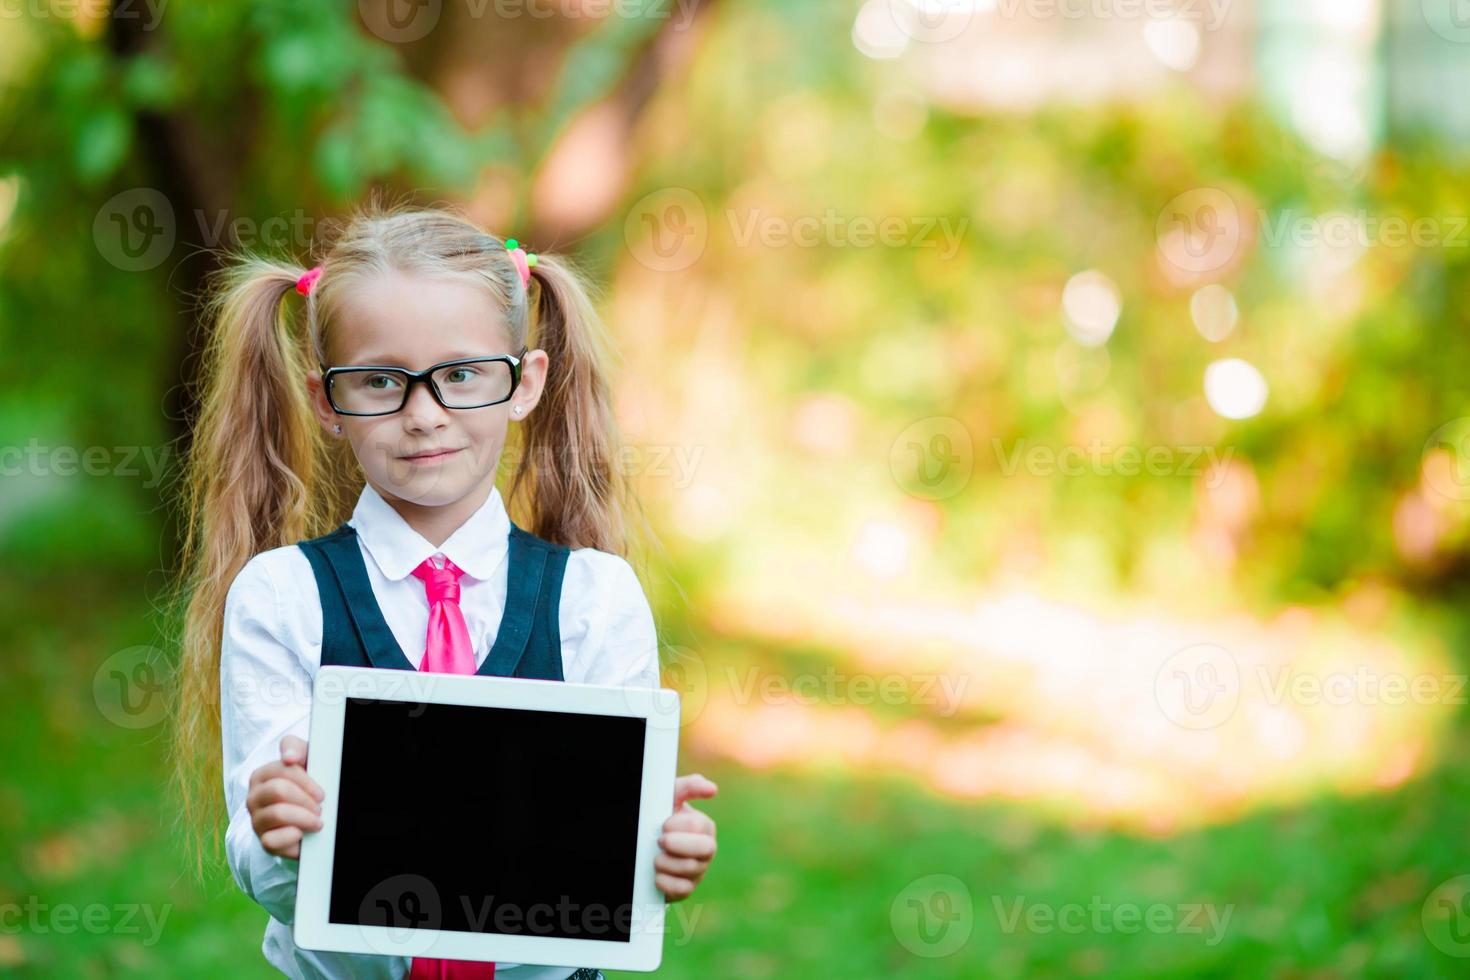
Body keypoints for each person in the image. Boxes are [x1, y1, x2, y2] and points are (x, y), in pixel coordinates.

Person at [170, 201, 718, 979]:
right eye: (379, 381)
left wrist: (660, 857)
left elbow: (607, 873)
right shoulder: (282, 595)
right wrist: (276, 830)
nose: (423, 415)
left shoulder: (596, 598)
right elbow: (267, 875)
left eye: (460, 375)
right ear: (326, 399)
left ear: (524, 383)